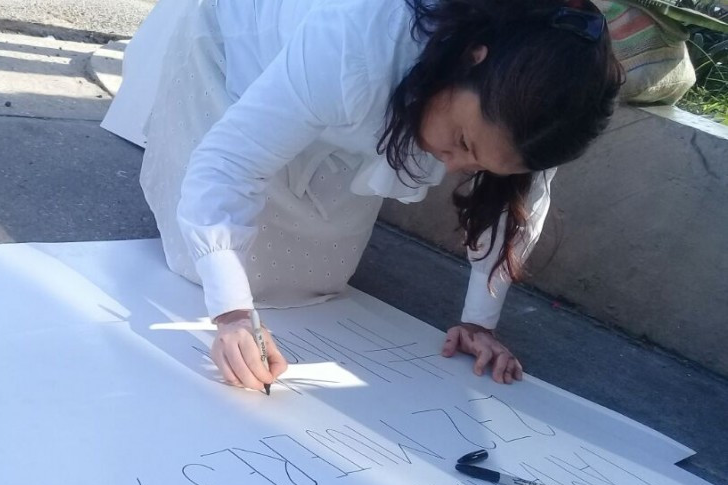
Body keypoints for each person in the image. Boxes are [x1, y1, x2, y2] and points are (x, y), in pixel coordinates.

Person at [116, 0, 623, 390]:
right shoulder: (356, 40)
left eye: (481, 164)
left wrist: (478, 321)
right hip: (259, 40)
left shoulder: (544, 107)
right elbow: (230, 163)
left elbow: (517, 207)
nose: (454, 167)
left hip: (358, 88)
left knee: (315, 280)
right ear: (473, 58)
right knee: (201, 266)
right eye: (465, 142)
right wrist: (230, 315)